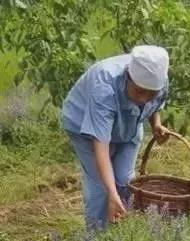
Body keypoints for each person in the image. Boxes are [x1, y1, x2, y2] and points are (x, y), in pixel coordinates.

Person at [62, 45, 171, 230]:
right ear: (128, 76)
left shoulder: (160, 80)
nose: (144, 99)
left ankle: (120, 229)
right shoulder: (104, 85)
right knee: (102, 188)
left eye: (150, 93)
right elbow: (101, 145)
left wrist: (156, 125)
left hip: (128, 123)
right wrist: (112, 193)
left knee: (126, 181)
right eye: (139, 91)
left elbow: (155, 103)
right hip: (84, 125)